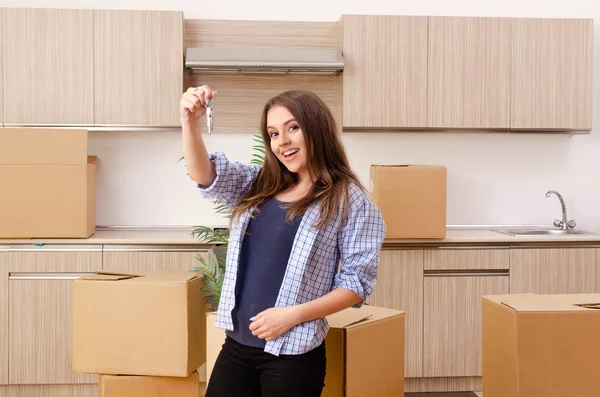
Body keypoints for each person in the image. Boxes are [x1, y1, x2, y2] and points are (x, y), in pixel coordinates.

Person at [180, 85, 386, 397]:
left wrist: (291, 315)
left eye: (292, 127)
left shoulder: (351, 201)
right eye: (273, 133)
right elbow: (206, 175)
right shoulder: (259, 183)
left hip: (293, 355)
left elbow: (357, 282)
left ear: (317, 129)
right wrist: (189, 122)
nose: (282, 141)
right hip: (236, 347)